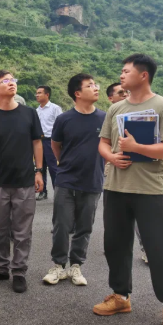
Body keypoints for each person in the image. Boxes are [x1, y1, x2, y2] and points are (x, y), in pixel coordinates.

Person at [95, 53, 163, 325]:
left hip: (149, 190)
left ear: (143, 75)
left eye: (126, 71)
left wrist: (137, 147)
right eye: (121, 71)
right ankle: (120, 296)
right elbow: (103, 143)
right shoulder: (116, 108)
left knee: (160, 250)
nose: (121, 75)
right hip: (115, 187)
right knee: (115, 246)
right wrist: (112, 157)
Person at [0, 70, 44, 294]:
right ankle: (0, 268)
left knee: (22, 231)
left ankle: (19, 271)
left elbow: (37, 143)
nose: (11, 83)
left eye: (13, 80)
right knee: (0, 228)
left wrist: (39, 171)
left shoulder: (29, 113)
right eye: (5, 81)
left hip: (24, 181)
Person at [43, 74, 105, 287]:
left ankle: (76, 265)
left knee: (85, 226)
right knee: (61, 224)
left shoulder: (104, 118)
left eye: (95, 84)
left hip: (93, 180)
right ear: (77, 93)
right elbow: (55, 145)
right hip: (66, 180)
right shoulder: (64, 119)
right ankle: (58, 265)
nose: (96, 88)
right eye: (90, 85)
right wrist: (66, 164)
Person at [106, 82, 146, 264]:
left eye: (126, 92)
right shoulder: (107, 116)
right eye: (120, 92)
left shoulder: (139, 115)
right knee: (113, 215)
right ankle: (115, 247)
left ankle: (145, 248)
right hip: (111, 171)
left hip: (136, 172)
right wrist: (110, 158)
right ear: (110, 98)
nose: (125, 95)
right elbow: (102, 143)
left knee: (138, 213)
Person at [35, 85, 62, 201]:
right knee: (40, 167)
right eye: (36, 93)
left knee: (53, 167)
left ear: (47, 94)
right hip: (39, 141)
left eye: (39, 93)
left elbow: (61, 125)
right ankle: (42, 191)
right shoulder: (36, 111)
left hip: (50, 141)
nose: (37, 95)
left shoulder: (55, 108)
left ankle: (58, 192)